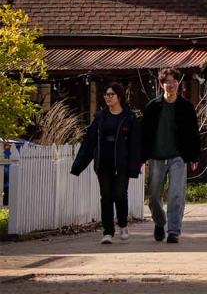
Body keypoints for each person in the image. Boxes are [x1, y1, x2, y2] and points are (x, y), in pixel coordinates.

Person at [71, 83, 142, 244]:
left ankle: (123, 224)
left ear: (119, 97)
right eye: (106, 94)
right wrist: (78, 166)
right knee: (106, 197)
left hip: (121, 164)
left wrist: (135, 166)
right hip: (103, 164)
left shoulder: (129, 118)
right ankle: (108, 232)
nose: (108, 97)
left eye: (111, 94)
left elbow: (135, 144)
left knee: (120, 194)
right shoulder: (100, 117)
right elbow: (89, 142)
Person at [142, 67, 200, 244]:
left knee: (176, 194)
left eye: (174, 81)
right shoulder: (152, 107)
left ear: (178, 83)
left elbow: (193, 133)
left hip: (178, 156)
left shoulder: (186, 107)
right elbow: (144, 134)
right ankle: (160, 222)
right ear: (162, 85)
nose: (171, 85)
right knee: (153, 196)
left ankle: (174, 230)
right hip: (156, 156)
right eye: (167, 82)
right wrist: (142, 158)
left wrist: (194, 156)